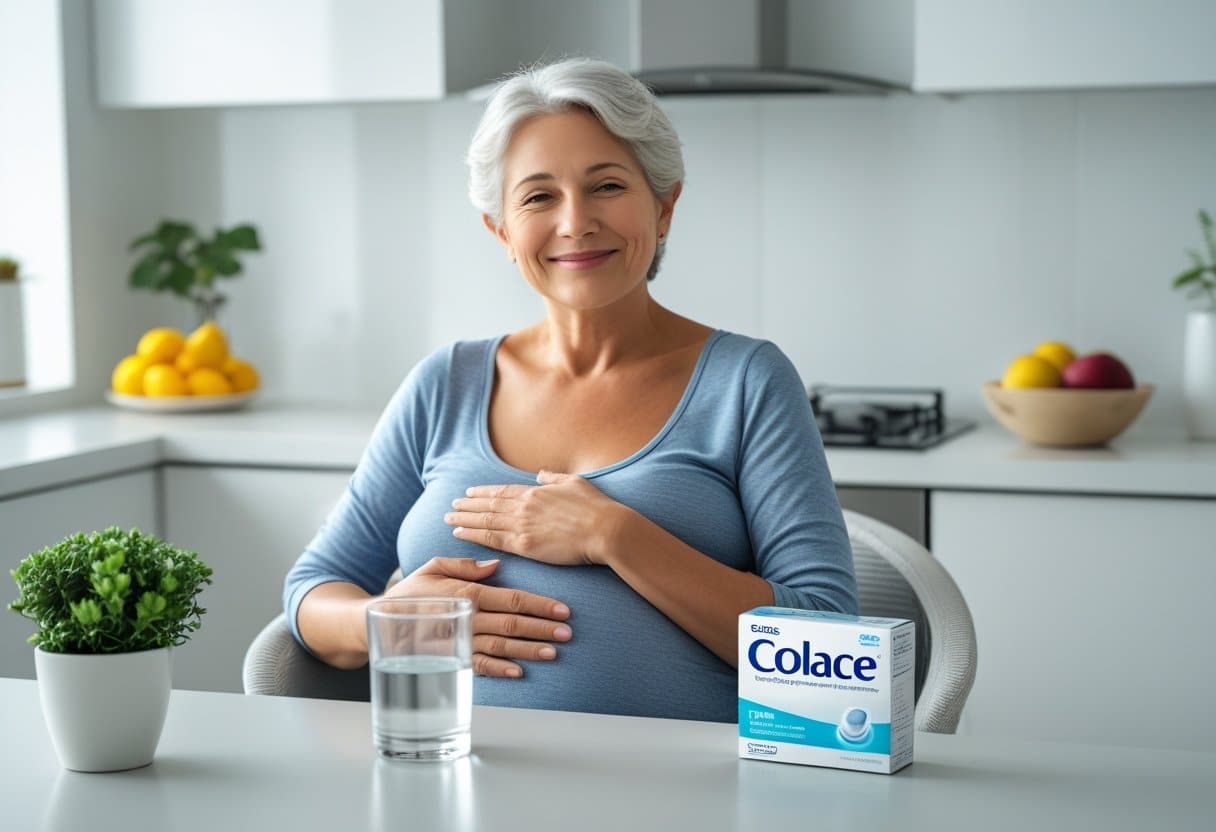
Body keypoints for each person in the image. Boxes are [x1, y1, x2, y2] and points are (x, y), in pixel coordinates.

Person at [284, 58, 857, 723]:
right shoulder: (444, 384)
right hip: (451, 770)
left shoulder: (747, 381)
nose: (575, 222)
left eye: (606, 185)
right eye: (538, 197)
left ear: (664, 207)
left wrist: (614, 534)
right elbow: (311, 593)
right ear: (501, 230)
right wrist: (389, 619)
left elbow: (828, 641)